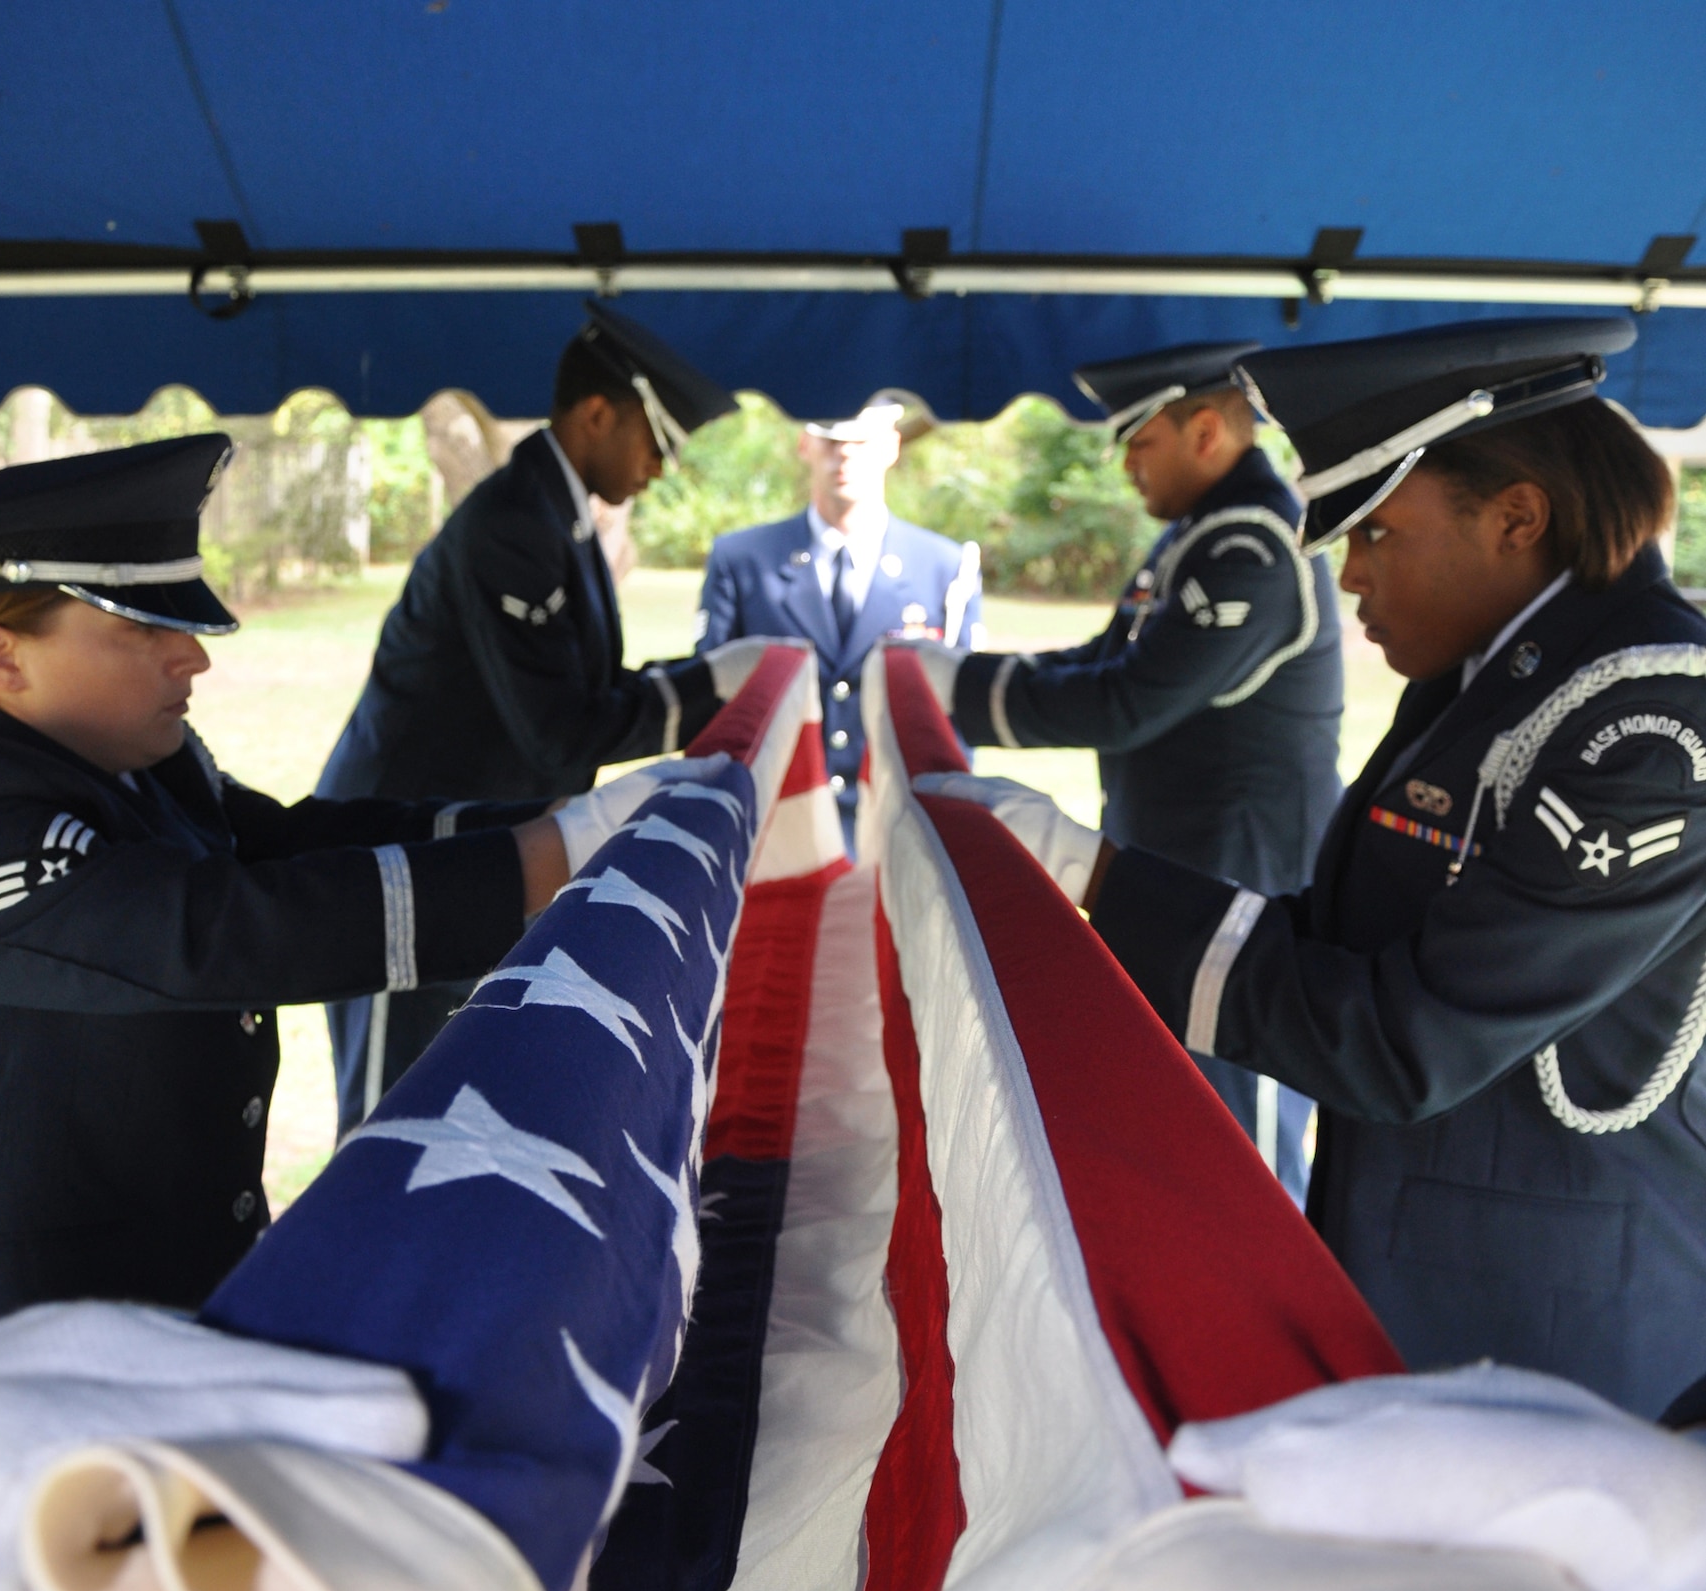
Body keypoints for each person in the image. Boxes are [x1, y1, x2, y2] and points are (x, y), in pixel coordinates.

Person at [916, 315, 1706, 1421]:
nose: (1349, 579)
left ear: (1518, 517)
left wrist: (1097, 878)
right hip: (1437, 1287)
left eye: (1378, 533)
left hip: (1557, 1340)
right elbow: (1340, 932)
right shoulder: (1494, 673)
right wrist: (1096, 880)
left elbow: (1403, 1036)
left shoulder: (1650, 726)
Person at [0, 436, 682, 1341]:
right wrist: (536, 862)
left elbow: (286, 841)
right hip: (26, 1330)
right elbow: (219, 930)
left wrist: (544, 823)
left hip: (175, 1280)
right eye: (142, 630)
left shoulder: (133, 764)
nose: (191, 660)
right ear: (2, 660)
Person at [914, 343, 1344, 1202]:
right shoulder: (1194, 536)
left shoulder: (1249, 544)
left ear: (1208, 430)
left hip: (1240, 887)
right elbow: (1100, 660)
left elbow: (1127, 702)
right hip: (1178, 873)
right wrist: (959, 681)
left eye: (1138, 441)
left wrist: (955, 688)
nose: (1126, 464)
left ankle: (1254, 1319)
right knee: (1178, 1114)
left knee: (1242, 1142)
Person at [318, 301, 753, 1128]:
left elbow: (588, 685)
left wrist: (704, 678)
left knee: (459, 1096)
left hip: (471, 838)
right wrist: (708, 688)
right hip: (402, 847)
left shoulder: (556, 514)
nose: (658, 470)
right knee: (390, 1112)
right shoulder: (514, 525)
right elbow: (562, 729)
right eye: (656, 443)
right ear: (597, 415)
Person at [696, 394, 984, 840]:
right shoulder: (743, 560)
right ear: (804, 444)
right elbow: (711, 707)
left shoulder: (946, 568)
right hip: (773, 834)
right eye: (830, 441)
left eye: (861, 442)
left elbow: (958, 722)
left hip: (896, 831)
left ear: (891, 446)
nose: (844, 455)